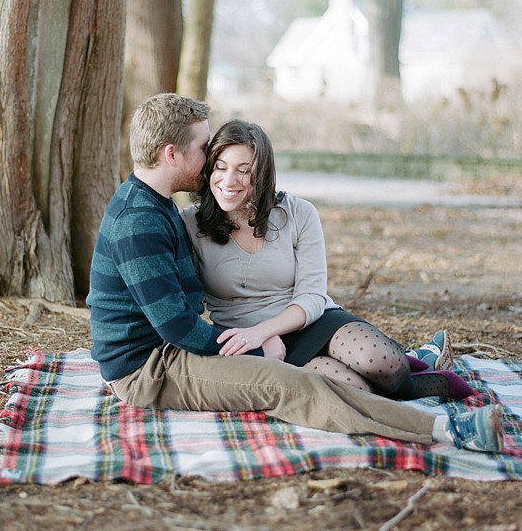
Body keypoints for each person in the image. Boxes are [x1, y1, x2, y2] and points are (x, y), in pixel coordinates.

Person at [87, 93, 504, 453]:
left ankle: (418, 371)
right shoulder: (141, 219)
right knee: (289, 385)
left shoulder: (155, 206)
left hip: (172, 352)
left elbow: (182, 313)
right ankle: (448, 430)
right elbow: (177, 325)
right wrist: (258, 350)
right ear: (170, 154)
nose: (208, 159)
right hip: (150, 370)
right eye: (203, 149)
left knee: (340, 371)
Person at [180, 119, 473, 401]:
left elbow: (312, 296)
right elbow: (185, 306)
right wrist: (254, 343)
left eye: (243, 170)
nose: (228, 180)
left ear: (262, 174)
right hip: (252, 340)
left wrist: (263, 332)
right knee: (355, 391)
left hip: (313, 322)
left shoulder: (298, 213)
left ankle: (410, 373)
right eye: (220, 167)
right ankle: (421, 362)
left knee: (383, 362)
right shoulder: (190, 224)